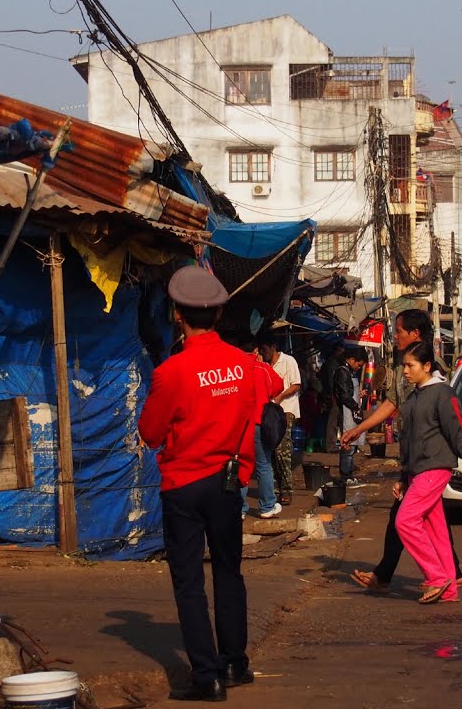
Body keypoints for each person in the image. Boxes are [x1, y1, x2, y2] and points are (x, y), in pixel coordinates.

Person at [138, 266, 258, 702]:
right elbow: (266, 397)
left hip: (185, 485)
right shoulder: (246, 365)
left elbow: (150, 432)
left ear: (177, 314)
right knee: (229, 571)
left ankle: (206, 676)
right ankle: (235, 663)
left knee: (189, 580)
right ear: (220, 312)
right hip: (229, 481)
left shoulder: (172, 371)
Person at [342, 309, 462, 591]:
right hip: (413, 455)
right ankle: (451, 572)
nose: (394, 336)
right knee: (430, 516)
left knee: (403, 517)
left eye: (399, 331)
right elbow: (391, 405)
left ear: (415, 335)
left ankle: (406, 575)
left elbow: (449, 422)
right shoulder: (400, 366)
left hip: (428, 457)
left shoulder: (430, 371)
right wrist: (360, 429)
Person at [395, 340, 462, 603]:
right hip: (417, 470)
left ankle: (436, 578)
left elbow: (459, 432)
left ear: (426, 366)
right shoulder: (413, 397)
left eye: (410, 365)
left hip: (435, 468)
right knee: (435, 529)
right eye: (404, 365)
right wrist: (403, 476)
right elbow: (407, 439)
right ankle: (448, 590)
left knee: (405, 521)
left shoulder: (443, 394)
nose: (405, 371)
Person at [239, 338, 285, 519]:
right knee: (263, 465)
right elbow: (278, 386)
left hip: (240, 425)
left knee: (240, 466)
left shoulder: (235, 370)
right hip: (259, 423)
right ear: (256, 350)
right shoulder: (263, 368)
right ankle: (267, 507)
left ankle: (239, 509)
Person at [258, 332, 301, 506]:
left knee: (283, 450)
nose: (263, 352)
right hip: (269, 412)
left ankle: (287, 489)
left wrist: (279, 397)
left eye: (265, 349)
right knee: (271, 449)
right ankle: (275, 487)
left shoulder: (288, 361)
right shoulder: (263, 364)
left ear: (273, 347)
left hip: (286, 410)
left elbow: (296, 385)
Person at [334, 346, 367, 484]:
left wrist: (359, 396)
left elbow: (350, 392)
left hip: (352, 410)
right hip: (346, 412)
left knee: (353, 444)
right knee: (348, 444)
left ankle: (349, 473)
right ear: (352, 360)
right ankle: (345, 475)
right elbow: (344, 395)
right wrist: (355, 407)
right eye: (359, 365)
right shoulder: (342, 372)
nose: (359, 368)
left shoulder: (349, 372)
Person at [320, 342, 346, 452]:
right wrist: (333, 394)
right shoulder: (332, 363)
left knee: (335, 420)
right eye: (341, 351)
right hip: (332, 395)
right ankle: (330, 446)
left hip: (333, 394)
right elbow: (331, 381)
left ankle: (333, 444)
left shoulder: (335, 362)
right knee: (333, 421)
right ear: (336, 351)